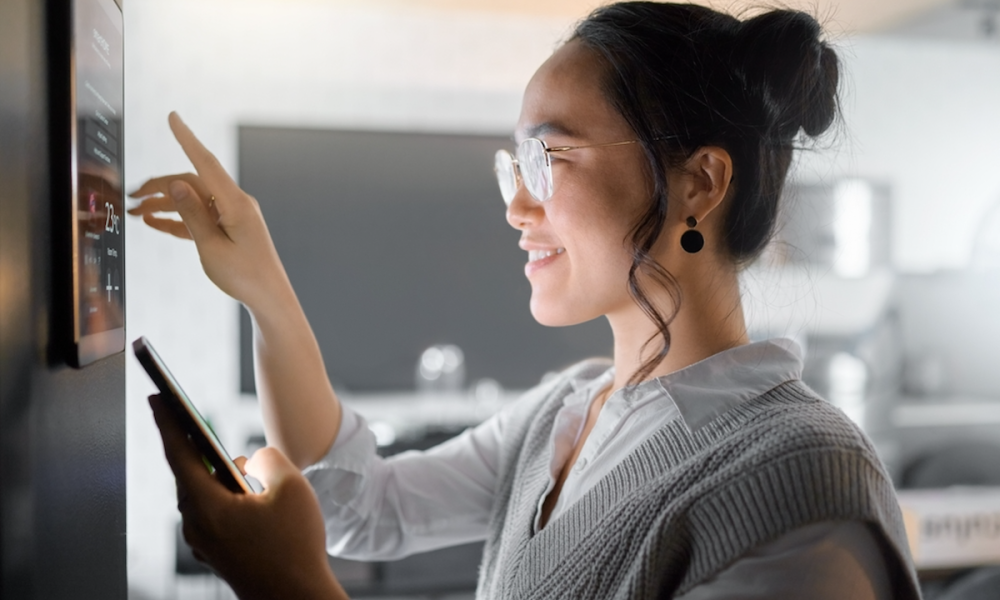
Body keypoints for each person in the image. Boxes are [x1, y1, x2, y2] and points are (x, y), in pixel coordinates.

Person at [130, 3, 922, 599]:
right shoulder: (562, 415)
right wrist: (264, 287)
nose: (516, 206)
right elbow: (358, 504)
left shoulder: (802, 487)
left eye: (547, 158)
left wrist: (291, 587)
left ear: (699, 183)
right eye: (516, 167)